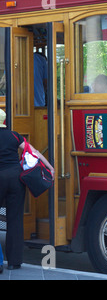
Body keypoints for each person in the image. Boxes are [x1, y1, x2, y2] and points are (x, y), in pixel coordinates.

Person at [0, 109, 54, 271]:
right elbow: (34, 151)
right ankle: (15, 262)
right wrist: (50, 168)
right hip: (16, 179)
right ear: (4, 122)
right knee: (15, 219)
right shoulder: (14, 136)